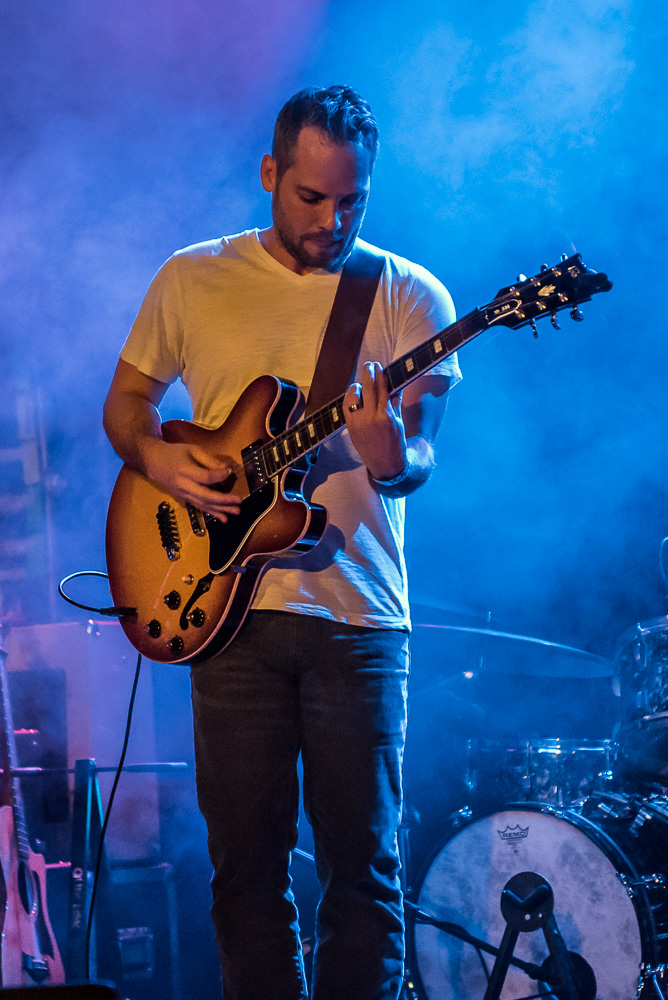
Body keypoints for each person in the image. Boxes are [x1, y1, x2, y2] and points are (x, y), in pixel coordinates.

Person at [103, 85, 461, 1000]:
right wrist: (160, 460)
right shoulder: (193, 276)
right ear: (271, 173)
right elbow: (128, 406)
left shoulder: (410, 295)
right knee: (245, 879)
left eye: (352, 201)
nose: (331, 221)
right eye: (310, 198)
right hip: (228, 612)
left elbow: (419, 459)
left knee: (365, 878)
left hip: (361, 620)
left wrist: (391, 457)